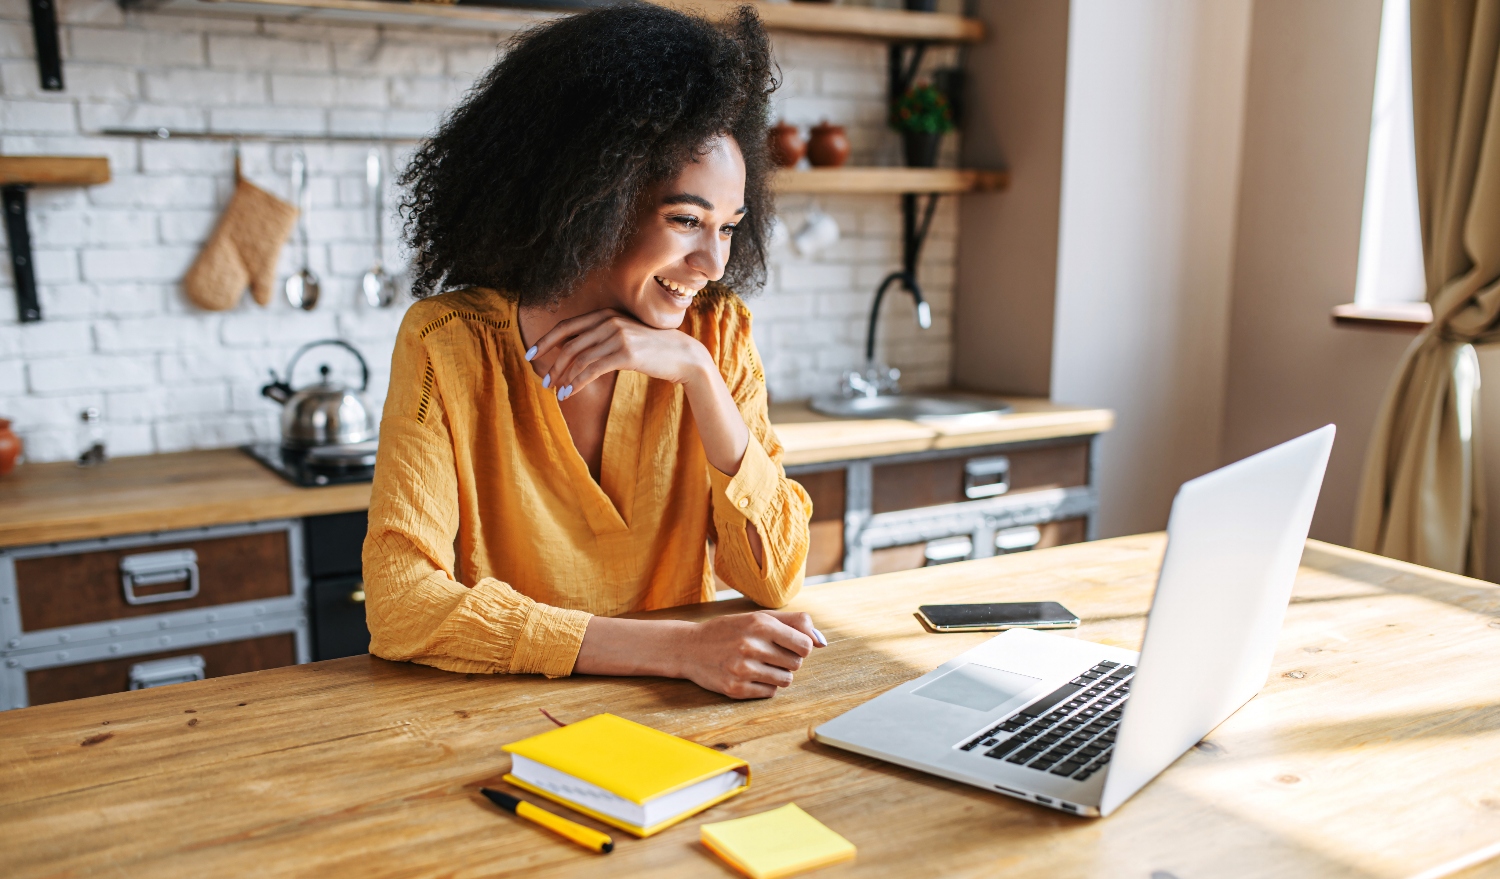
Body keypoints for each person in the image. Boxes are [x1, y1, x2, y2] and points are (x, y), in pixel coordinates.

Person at [362, 4, 822, 699]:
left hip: (682, 719)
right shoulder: (448, 344)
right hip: (502, 724)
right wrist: (677, 649)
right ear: (590, 198)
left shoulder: (716, 335)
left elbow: (776, 576)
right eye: (686, 220)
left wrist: (698, 375)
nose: (713, 262)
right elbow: (401, 607)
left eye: (729, 227)